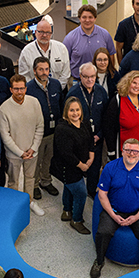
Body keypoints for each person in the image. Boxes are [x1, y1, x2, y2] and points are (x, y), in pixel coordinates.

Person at [92, 139, 139, 278]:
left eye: (135, 151)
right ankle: (99, 261)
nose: (131, 154)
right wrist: (112, 215)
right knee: (103, 232)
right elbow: (102, 194)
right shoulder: (110, 167)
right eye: (128, 150)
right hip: (114, 210)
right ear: (122, 151)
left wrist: (137, 216)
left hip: (138, 211)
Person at [0, 74, 47, 216]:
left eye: (22, 88)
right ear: (11, 89)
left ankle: (29, 201)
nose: (19, 92)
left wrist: (33, 148)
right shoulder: (3, 109)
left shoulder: (34, 102)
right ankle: (13, 205)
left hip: (32, 151)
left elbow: (40, 126)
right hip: (14, 154)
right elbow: (5, 135)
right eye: (16, 89)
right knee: (13, 180)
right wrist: (20, 152)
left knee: (30, 178)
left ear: (26, 88)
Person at [53, 97, 96, 233]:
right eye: (72, 110)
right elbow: (66, 153)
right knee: (80, 193)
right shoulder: (62, 129)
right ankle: (76, 220)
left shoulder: (84, 124)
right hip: (68, 167)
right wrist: (81, 165)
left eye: (77, 110)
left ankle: (67, 211)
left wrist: (91, 156)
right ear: (66, 111)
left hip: (82, 163)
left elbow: (90, 141)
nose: (75, 113)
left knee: (69, 188)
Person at [27, 57, 66, 200]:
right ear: (34, 70)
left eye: (46, 69)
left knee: (49, 159)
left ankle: (46, 181)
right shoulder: (29, 88)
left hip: (53, 131)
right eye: (40, 69)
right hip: (37, 133)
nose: (44, 72)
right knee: (36, 162)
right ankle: (35, 185)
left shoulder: (55, 84)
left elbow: (61, 105)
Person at [65, 5, 118, 80]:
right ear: (79, 18)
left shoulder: (105, 34)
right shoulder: (70, 38)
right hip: (77, 79)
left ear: (95, 18)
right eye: (84, 17)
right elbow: (65, 60)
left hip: (100, 79)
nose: (87, 20)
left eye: (90, 17)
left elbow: (111, 55)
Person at [114, 70, 139, 162]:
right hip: (127, 150)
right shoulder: (118, 100)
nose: (137, 86)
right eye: (134, 83)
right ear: (128, 83)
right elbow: (109, 127)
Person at [18, 16, 71, 87]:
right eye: (41, 32)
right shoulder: (26, 51)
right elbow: (24, 76)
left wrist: (56, 89)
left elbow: (65, 73)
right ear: (36, 32)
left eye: (48, 32)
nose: (45, 35)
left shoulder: (61, 48)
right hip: (35, 92)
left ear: (51, 33)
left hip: (58, 90)